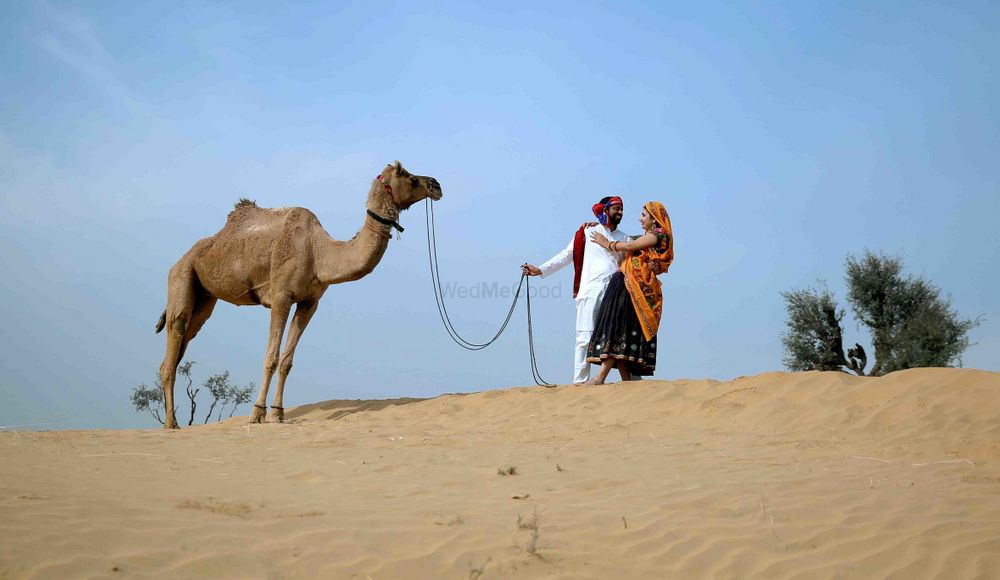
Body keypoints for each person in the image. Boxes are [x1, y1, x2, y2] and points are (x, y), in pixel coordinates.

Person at [522, 197, 631, 384]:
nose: (620, 212)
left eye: (622, 209)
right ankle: (580, 382)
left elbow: (630, 264)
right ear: (606, 210)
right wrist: (541, 269)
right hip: (590, 290)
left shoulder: (625, 238)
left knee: (618, 335)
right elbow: (567, 255)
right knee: (584, 336)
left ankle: (632, 380)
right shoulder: (587, 232)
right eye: (616, 208)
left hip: (615, 292)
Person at [585, 201, 674, 385]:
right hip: (629, 284)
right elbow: (630, 241)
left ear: (654, 218)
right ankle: (626, 382)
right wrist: (601, 227)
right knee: (623, 328)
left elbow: (628, 246)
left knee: (617, 327)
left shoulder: (659, 235)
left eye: (643, 215)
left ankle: (600, 378)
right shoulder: (647, 236)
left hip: (634, 287)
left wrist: (606, 243)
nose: (640, 219)